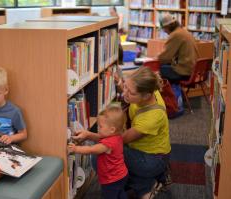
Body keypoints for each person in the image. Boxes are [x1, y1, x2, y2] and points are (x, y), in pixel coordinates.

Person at [115, 66, 171, 199]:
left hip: (152, 159)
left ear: (146, 96)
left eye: (131, 92)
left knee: (105, 152)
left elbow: (121, 140)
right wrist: (121, 84)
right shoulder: (150, 91)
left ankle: (149, 181)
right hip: (142, 150)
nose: (125, 93)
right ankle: (144, 183)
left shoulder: (152, 117)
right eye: (126, 87)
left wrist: (92, 136)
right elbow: (130, 90)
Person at [68, 105, 128, 199]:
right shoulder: (116, 136)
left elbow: (91, 149)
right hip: (121, 175)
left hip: (111, 179)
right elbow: (98, 137)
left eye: (100, 126)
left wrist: (76, 149)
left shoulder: (107, 144)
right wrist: (87, 135)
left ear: (112, 129)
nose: (98, 128)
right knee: (120, 193)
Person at [157, 13, 199, 83]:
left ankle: (159, 94)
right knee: (164, 67)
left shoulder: (175, 35)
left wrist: (156, 57)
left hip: (183, 72)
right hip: (192, 70)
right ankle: (175, 91)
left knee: (153, 72)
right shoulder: (183, 31)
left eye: (164, 28)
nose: (164, 31)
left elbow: (164, 57)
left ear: (168, 26)